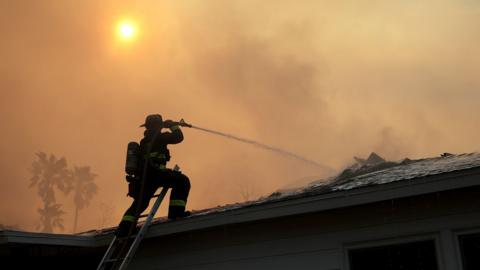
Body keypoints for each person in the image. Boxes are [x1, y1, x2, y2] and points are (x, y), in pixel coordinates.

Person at [115, 114, 191, 237]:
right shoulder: (159, 138)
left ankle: (124, 228)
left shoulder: (144, 142)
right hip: (158, 175)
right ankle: (176, 212)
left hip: (145, 178)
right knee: (182, 181)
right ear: (158, 126)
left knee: (141, 203)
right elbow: (178, 137)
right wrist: (173, 125)